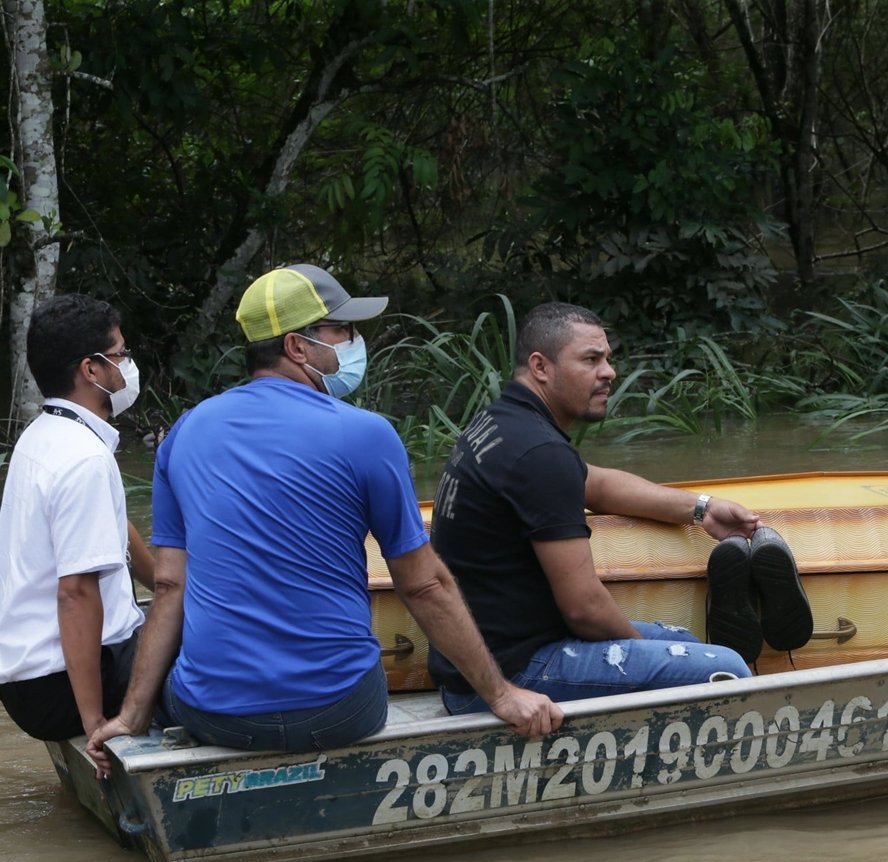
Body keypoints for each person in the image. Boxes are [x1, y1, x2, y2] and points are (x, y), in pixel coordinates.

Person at [87, 264, 561, 776]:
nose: (357, 342)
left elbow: (169, 584)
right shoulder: (368, 435)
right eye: (343, 331)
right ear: (297, 347)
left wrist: (132, 715)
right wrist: (502, 694)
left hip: (217, 718)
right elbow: (424, 586)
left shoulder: (185, 432)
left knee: (174, 679)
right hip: (341, 712)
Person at [428, 302, 813, 713]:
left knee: (684, 642)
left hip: (484, 661)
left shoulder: (502, 422)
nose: (609, 372)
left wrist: (703, 508)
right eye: (591, 360)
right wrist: (642, 654)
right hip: (508, 678)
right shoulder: (539, 453)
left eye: (607, 359)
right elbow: (585, 610)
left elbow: (597, 484)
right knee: (727, 668)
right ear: (541, 367)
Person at [0, 293, 152, 742]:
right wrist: (92, 721)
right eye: (121, 355)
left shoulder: (43, 433)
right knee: (220, 645)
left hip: (27, 679)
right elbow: (76, 595)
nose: (128, 365)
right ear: (91, 370)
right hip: (60, 688)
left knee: (174, 614)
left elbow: (113, 528)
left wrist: (168, 583)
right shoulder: (83, 458)